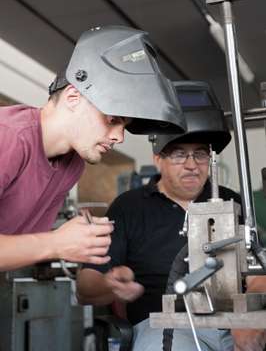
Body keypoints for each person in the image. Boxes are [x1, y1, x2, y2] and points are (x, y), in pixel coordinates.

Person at [77, 81, 248, 350]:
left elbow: (256, 267)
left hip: (232, 323)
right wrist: (110, 285)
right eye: (179, 154)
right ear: (158, 157)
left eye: (200, 154)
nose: (192, 165)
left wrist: (249, 322)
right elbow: (86, 287)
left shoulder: (230, 201)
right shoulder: (129, 207)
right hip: (163, 325)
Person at [0, 25, 186, 272]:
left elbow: (20, 245)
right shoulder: (9, 136)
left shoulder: (71, 165)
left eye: (125, 125)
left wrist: (98, 273)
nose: (119, 137)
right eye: (112, 120)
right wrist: (55, 242)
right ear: (73, 98)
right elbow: (45, 244)